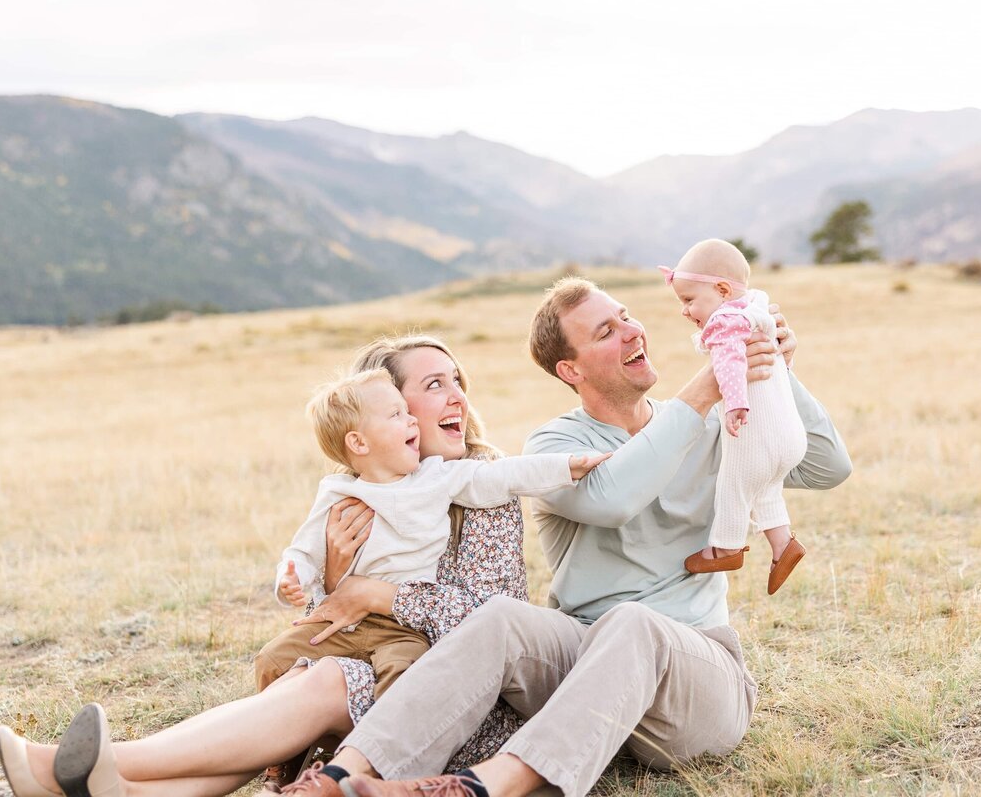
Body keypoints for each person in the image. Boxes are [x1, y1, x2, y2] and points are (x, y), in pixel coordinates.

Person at [279, 276, 851, 797]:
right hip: (583, 672)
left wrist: (775, 369)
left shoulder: (713, 426)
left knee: (633, 622)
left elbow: (827, 466)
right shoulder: (555, 447)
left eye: (627, 316)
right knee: (500, 618)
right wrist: (700, 393)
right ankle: (343, 778)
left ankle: (481, 789)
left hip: (698, 681)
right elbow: (614, 496)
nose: (632, 330)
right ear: (570, 370)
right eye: (607, 330)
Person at [0, 336, 543, 797]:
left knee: (323, 682)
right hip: (370, 678)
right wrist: (332, 576)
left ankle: (74, 766)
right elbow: (325, 622)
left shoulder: (483, 485)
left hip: (458, 705)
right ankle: (125, 787)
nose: (458, 399)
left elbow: (498, 626)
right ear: (376, 415)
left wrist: (376, 593)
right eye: (432, 386)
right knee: (308, 674)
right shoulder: (361, 495)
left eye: (456, 382)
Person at [254, 368, 606, 700]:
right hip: (347, 624)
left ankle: (378, 749)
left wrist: (565, 466)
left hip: (404, 626)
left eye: (408, 412)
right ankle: (278, 761)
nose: (410, 421)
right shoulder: (338, 494)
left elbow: (500, 476)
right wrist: (291, 580)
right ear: (359, 443)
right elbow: (303, 551)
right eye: (396, 415)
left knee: (403, 676)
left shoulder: (435, 477)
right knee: (271, 659)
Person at [659, 239, 808, 594]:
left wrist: (736, 403)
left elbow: (727, 362)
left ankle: (725, 547)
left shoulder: (726, 320)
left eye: (688, 300)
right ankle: (783, 545)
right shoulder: (757, 307)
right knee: (766, 490)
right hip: (790, 436)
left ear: (723, 291)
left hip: (756, 434)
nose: (684, 310)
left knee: (734, 485)